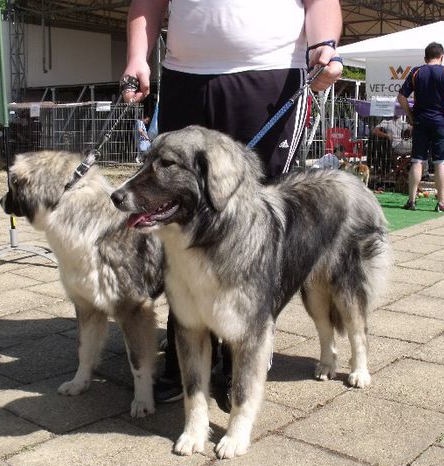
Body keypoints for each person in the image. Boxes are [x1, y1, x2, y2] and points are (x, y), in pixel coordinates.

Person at [122, 0, 344, 406]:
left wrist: (323, 46)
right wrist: (138, 56)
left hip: (270, 76)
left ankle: (241, 361)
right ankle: (184, 362)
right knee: (175, 216)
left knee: (254, 223)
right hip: (186, 77)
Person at [396, 42, 444, 213]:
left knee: (417, 160)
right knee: (441, 162)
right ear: (442, 57)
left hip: (420, 121)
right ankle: (441, 202)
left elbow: (401, 97)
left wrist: (411, 115)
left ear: (425, 58)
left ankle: (411, 200)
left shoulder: (416, 72)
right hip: (441, 122)